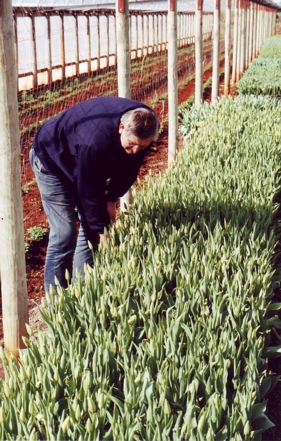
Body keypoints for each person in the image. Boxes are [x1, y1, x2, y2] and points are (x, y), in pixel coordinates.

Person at [30, 96, 160, 294]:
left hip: (81, 160)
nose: (135, 151)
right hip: (52, 160)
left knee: (92, 227)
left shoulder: (145, 124)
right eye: (132, 144)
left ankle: (82, 291)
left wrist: (111, 198)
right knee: (65, 234)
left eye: (142, 146)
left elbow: (129, 168)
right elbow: (88, 190)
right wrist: (103, 232)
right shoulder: (94, 141)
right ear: (121, 128)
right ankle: (56, 303)